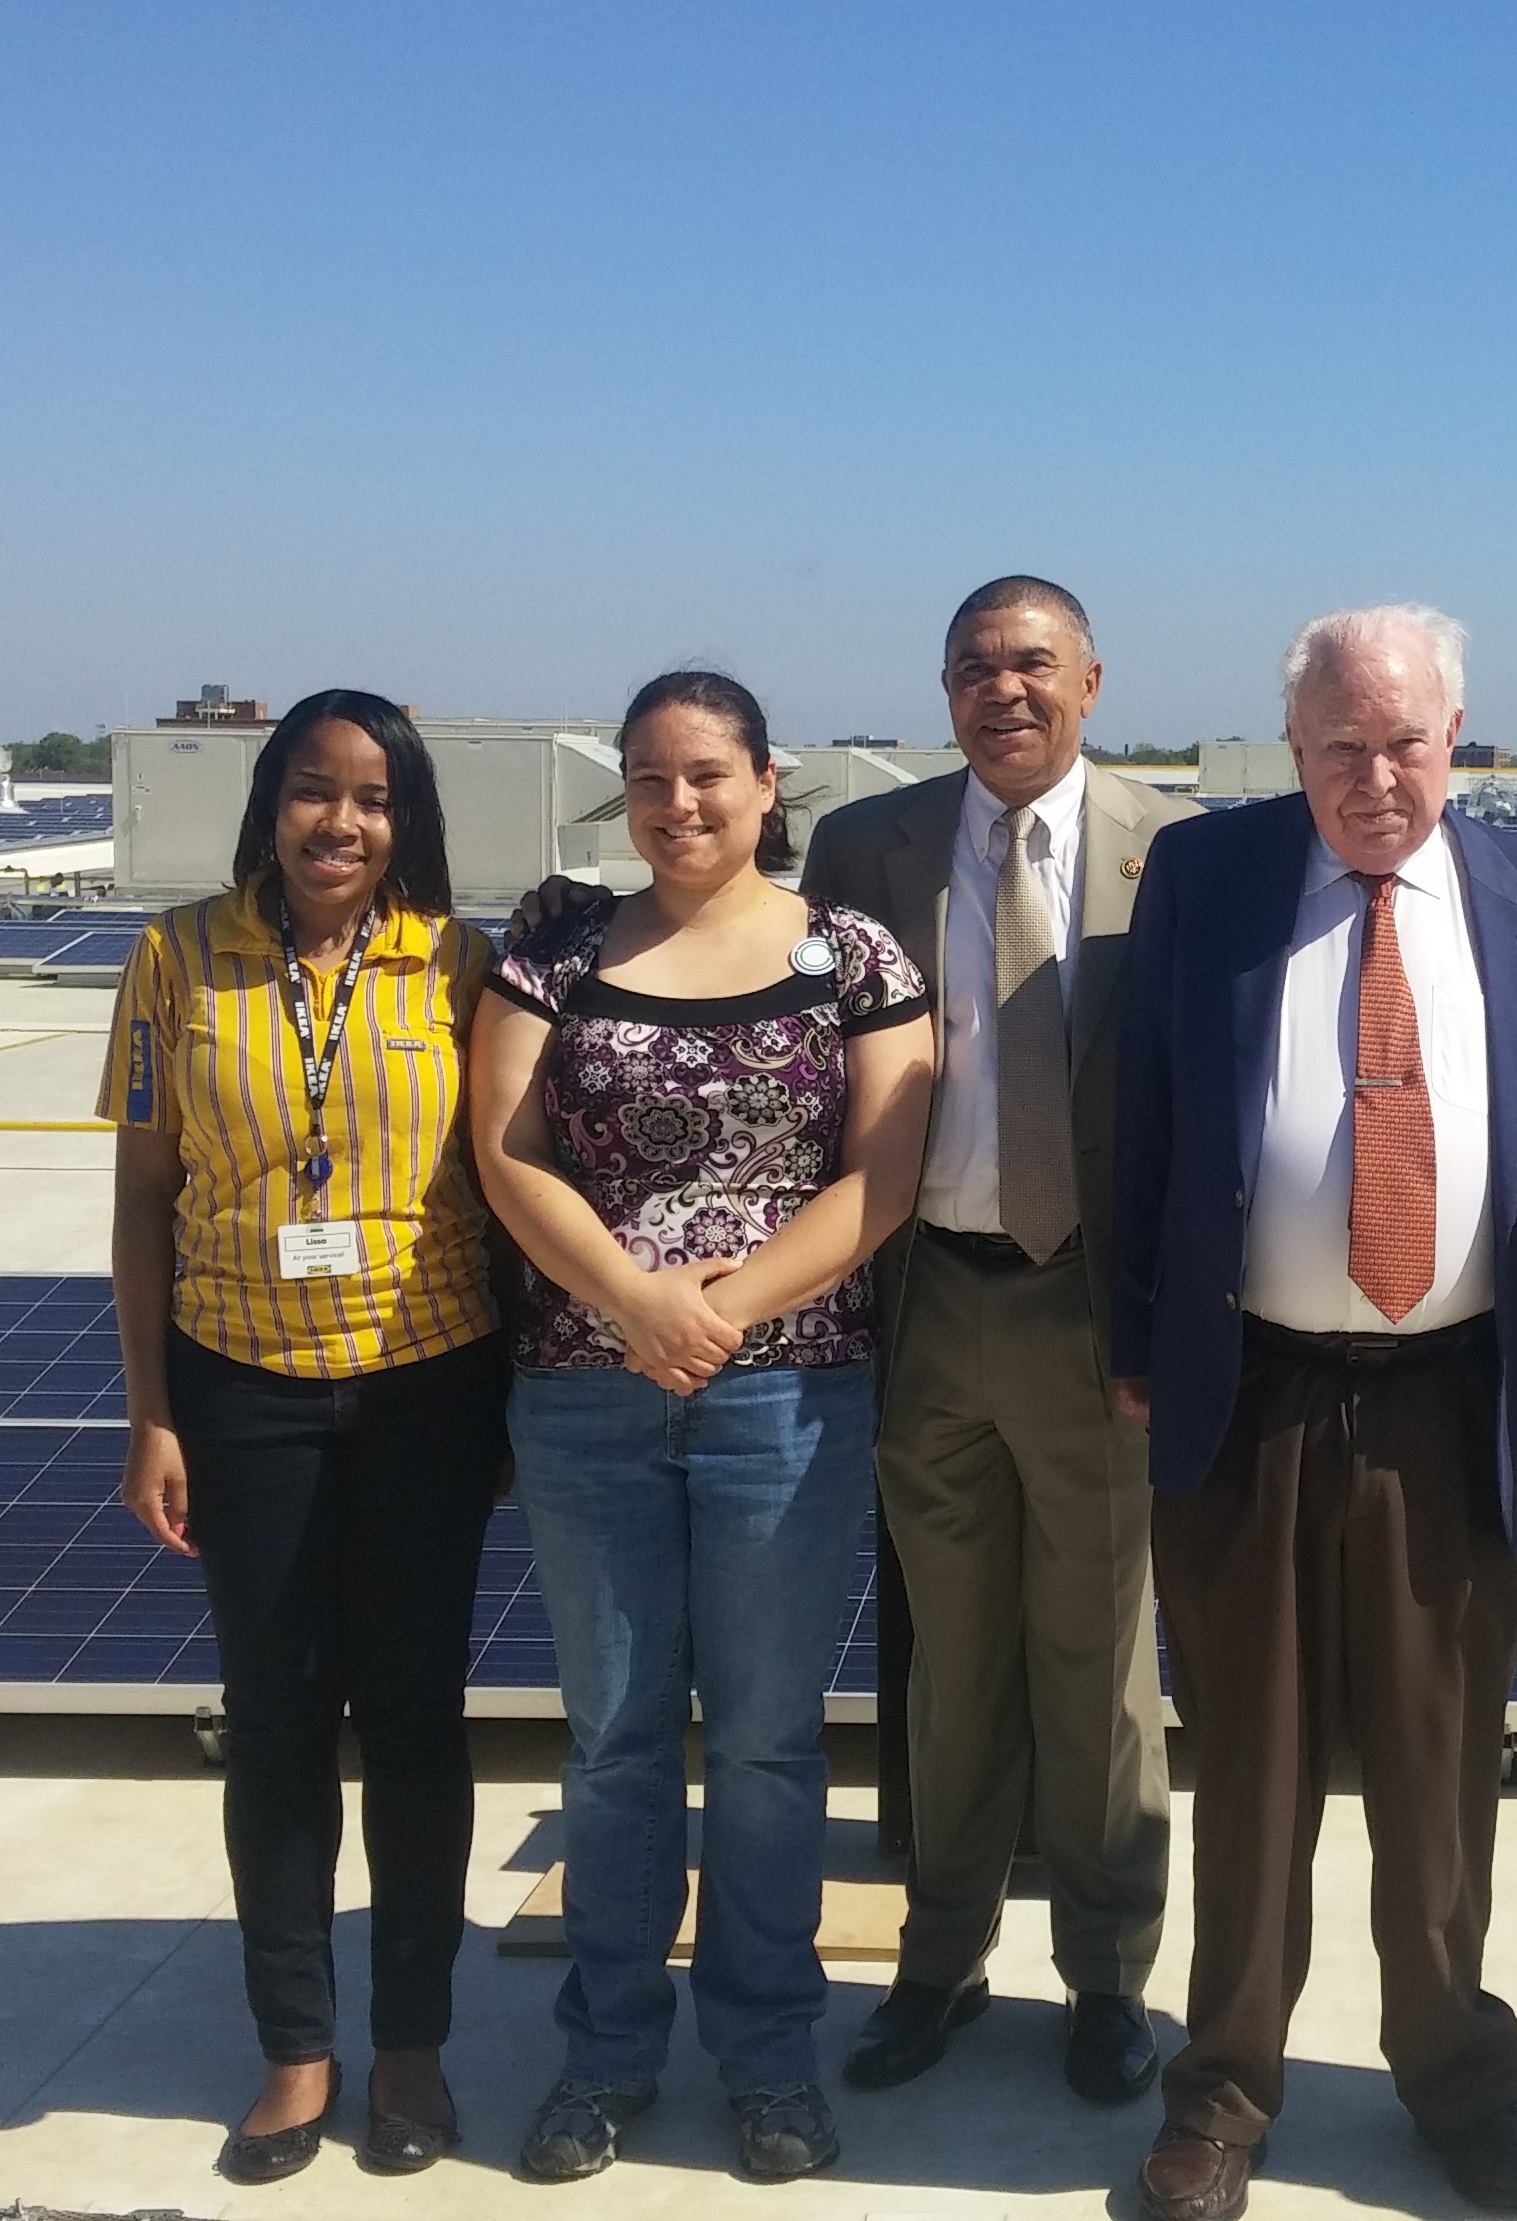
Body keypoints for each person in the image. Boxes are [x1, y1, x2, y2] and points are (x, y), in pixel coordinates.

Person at [1105, 604, 1517, 2221]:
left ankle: (1458, 2083)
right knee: (1251, 1778)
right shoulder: (1207, 884)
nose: (1376, 776)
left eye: (1406, 742)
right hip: (1251, 1390)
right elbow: (1142, 1119)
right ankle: (1220, 2098)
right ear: (1294, 749)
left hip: (1453, 1398)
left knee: (1438, 1779)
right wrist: (1135, 1337)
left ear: (1457, 739)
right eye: (1340, 746)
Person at [468, 668, 938, 2187]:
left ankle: (767, 2059)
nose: (682, 806)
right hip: (587, 1397)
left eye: (710, 777)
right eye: (655, 780)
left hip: (785, 1401)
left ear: (765, 782)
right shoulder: (551, 951)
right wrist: (627, 1300)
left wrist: (715, 1311)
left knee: (762, 1749)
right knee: (610, 1745)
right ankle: (604, 2055)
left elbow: (883, 1179)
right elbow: (507, 1149)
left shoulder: (853, 955)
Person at [798, 576, 1203, 2104]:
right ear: (944, 689)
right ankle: (941, 1961)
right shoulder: (867, 847)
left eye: (1033, 663)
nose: (1004, 690)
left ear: (1093, 679)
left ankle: (1106, 1978)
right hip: (928, 1302)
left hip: (1096, 1311)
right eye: (974, 667)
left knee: (1096, 1670)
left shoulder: (1180, 848)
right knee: (950, 1668)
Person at [103, 689, 509, 2185]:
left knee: (413, 1720)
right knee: (275, 1724)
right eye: (315, 793)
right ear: (270, 801)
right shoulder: (173, 958)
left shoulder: (459, 962)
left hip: (427, 1386)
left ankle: (410, 2043)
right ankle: (295, 2048)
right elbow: (145, 1197)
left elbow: (507, 1185)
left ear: (409, 820)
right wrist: (152, 1411)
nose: (344, 824)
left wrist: (518, 1398)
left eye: (376, 798)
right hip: (241, 1387)